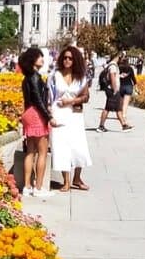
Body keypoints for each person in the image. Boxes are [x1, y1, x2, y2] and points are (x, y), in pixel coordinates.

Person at [48, 46, 92, 191]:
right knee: (61, 146)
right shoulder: (54, 75)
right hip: (59, 112)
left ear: (75, 60)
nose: (67, 60)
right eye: (65, 58)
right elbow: (48, 97)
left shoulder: (81, 77)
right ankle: (66, 181)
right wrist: (49, 115)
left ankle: (77, 178)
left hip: (75, 114)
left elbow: (86, 97)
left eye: (70, 58)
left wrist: (72, 101)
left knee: (79, 146)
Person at [20, 46, 57, 200]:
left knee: (30, 151)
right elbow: (38, 100)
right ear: (32, 60)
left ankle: (27, 186)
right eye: (39, 56)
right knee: (42, 152)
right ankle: (39, 187)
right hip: (37, 114)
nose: (42, 59)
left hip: (28, 113)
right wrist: (49, 117)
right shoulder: (35, 77)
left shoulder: (26, 78)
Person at [118, 53, 137, 129]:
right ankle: (124, 115)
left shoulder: (119, 68)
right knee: (125, 104)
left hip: (121, 86)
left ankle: (120, 114)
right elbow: (133, 79)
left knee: (121, 102)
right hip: (128, 86)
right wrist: (136, 87)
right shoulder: (130, 68)